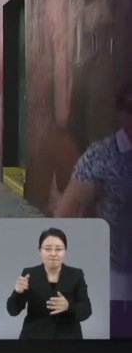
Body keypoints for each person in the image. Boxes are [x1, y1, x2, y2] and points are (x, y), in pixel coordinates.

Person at [54, 80, 132, 302]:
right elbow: (66, 213)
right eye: (130, 108)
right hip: (116, 281)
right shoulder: (101, 156)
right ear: (120, 113)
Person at [6, 228, 92, 339]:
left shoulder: (76, 274)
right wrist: (17, 292)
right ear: (39, 250)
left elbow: (86, 310)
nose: (53, 253)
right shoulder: (29, 274)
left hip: (68, 337)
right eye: (47, 249)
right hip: (34, 337)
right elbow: (13, 311)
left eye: (59, 249)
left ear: (65, 250)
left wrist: (68, 307)